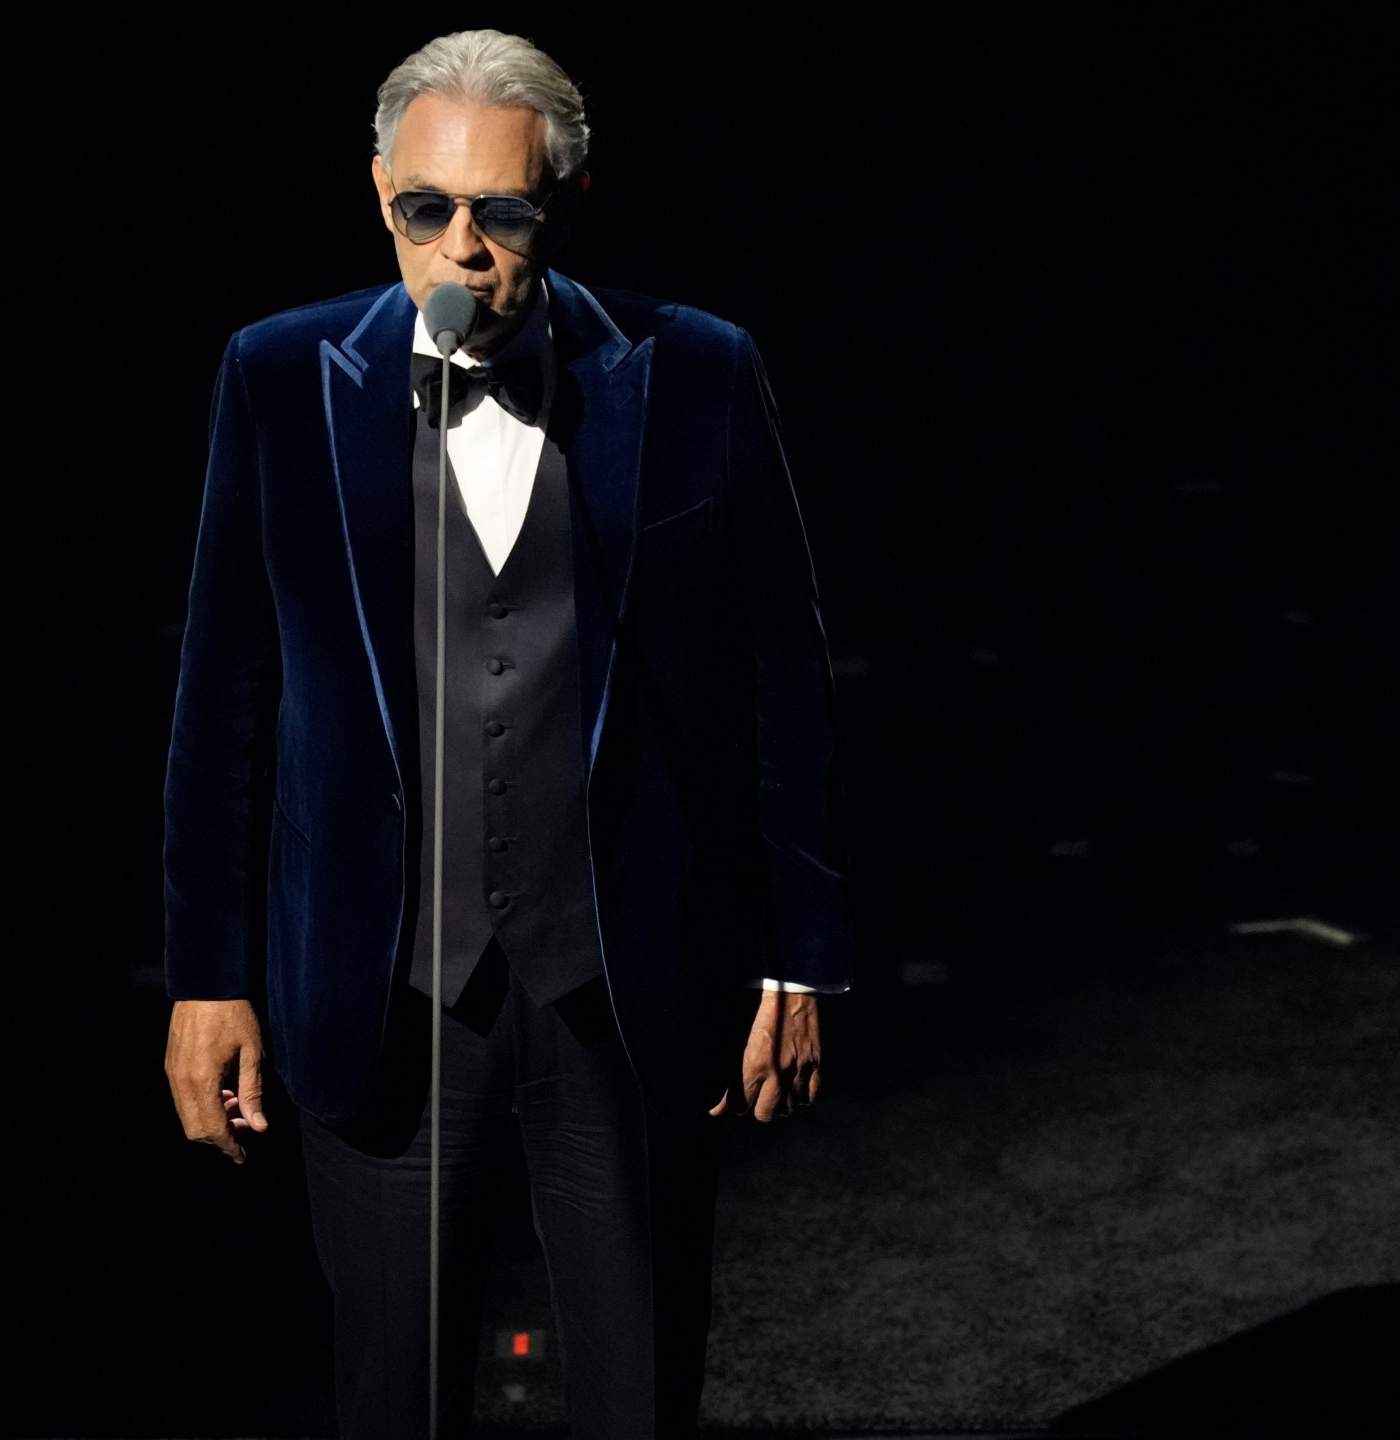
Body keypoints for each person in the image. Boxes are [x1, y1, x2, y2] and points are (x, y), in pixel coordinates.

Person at [159, 29, 853, 1439]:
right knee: (395, 1404)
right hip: (384, 987)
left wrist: (801, 954)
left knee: (639, 1398)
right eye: (428, 208)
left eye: (503, 212)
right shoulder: (278, 377)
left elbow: (784, 676)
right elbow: (222, 690)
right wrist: (206, 973)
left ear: (569, 202)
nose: (461, 250)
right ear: (379, 195)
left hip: (626, 978)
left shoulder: (700, 371)